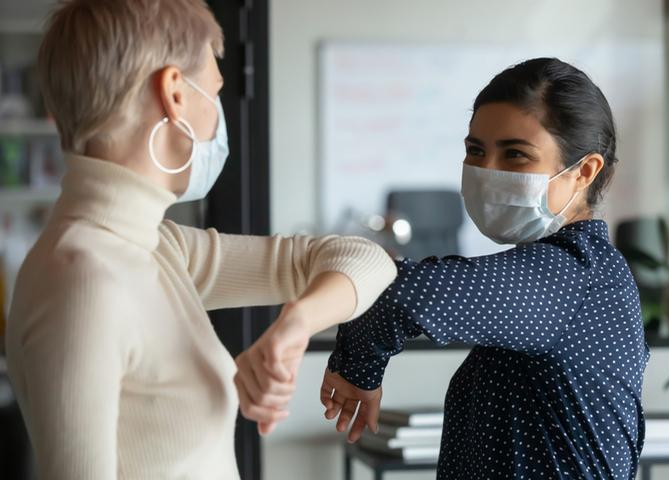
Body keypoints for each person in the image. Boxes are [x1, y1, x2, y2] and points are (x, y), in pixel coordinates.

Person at [3, 1, 396, 479]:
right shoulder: (81, 277)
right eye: (214, 91)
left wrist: (295, 324)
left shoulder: (156, 246)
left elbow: (367, 259)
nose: (217, 115)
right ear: (173, 93)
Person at [309, 58, 649, 479]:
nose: (486, 172)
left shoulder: (571, 275)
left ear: (584, 172)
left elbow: (399, 293)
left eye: (515, 155)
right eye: (475, 150)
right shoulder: (579, 272)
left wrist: (357, 369)